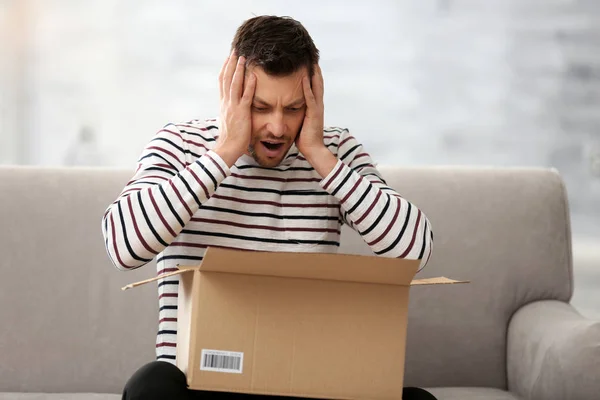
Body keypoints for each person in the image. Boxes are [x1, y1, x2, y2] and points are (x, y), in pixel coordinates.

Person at [102, 15, 436, 400]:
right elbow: (123, 247)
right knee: (150, 386)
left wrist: (317, 153)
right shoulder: (179, 145)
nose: (277, 128)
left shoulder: (335, 151)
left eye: (293, 108)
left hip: (305, 384)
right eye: (261, 107)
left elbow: (416, 250)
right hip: (200, 384)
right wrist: (224, 152)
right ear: (232, 91)